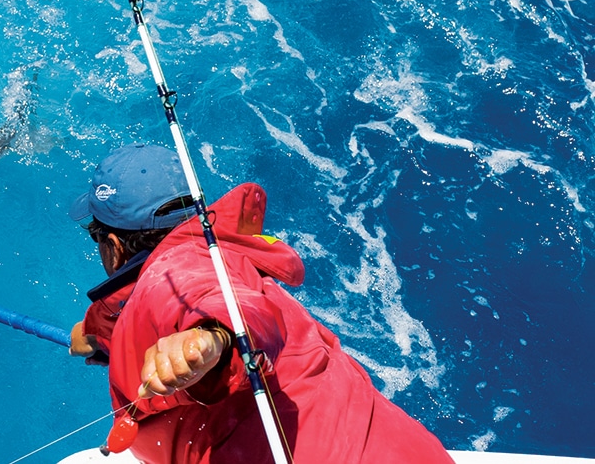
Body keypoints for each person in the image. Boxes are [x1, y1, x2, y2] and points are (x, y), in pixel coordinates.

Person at [68, 142, 454, 464]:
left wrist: (210, 338)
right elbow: (161, 303)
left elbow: (220, 302)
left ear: (114, 246)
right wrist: (95, 335)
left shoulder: (179, 273)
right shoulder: (223, 255)